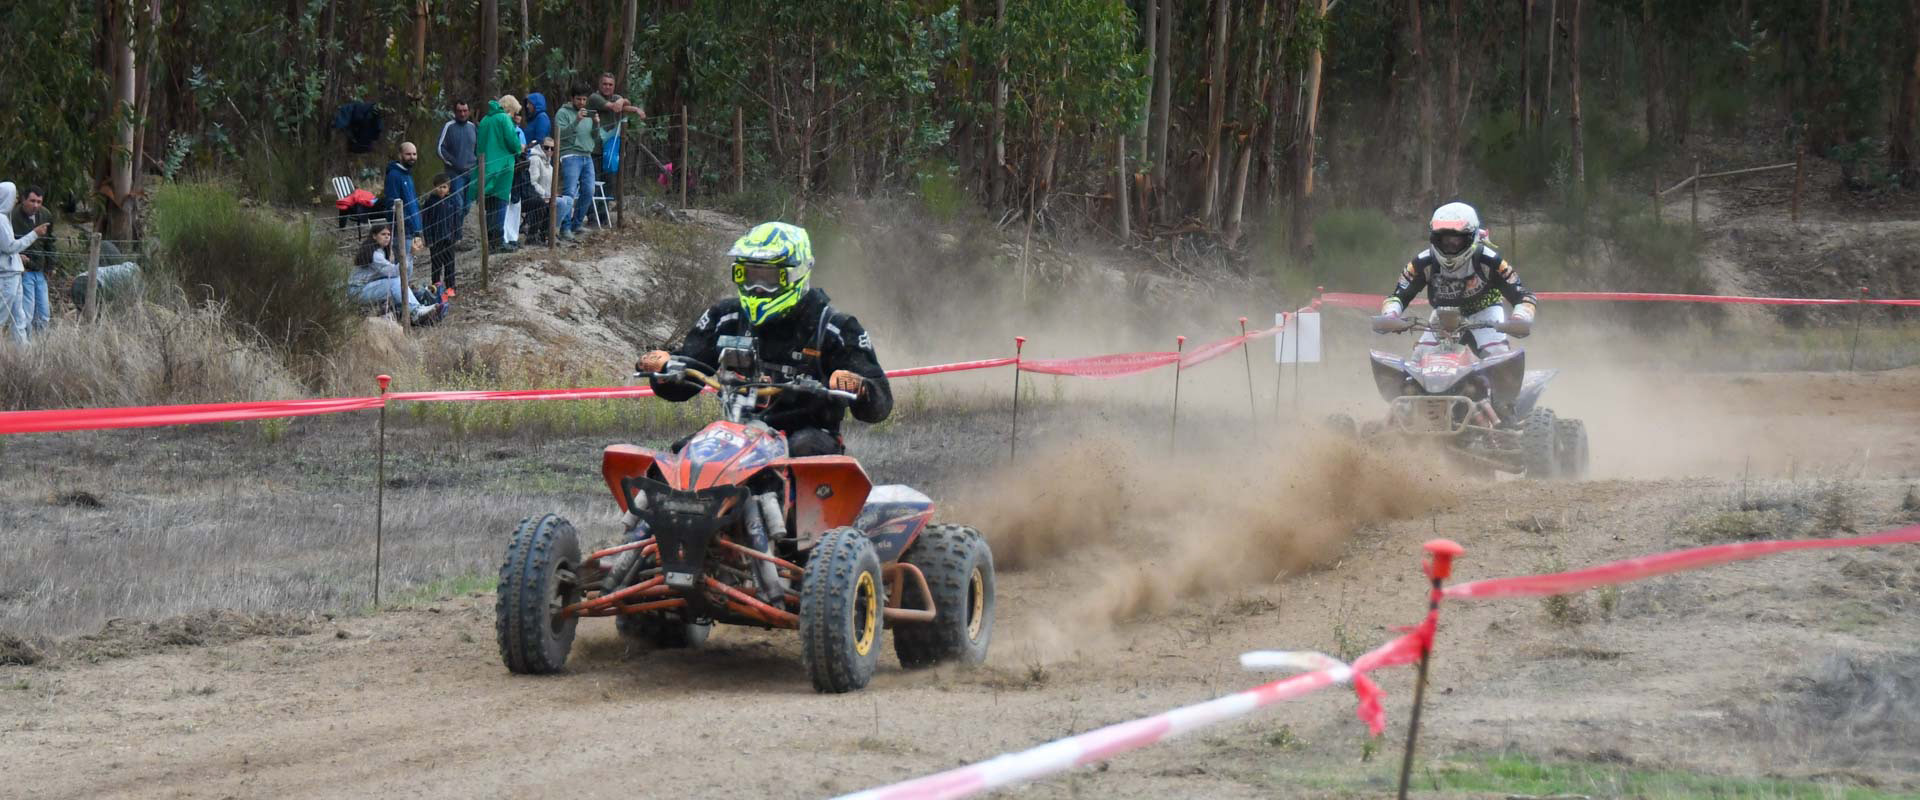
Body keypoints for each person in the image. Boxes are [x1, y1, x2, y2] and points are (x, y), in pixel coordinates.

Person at [638, 222, 892, 457]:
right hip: (736, 433)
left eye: (768, 278)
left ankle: (799, 507)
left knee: (803, 450)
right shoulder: (725, 317)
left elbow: (880, 403)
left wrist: (860, 388)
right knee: (684, 454)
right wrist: (664, 369)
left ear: (795, 274)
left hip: (808, 437)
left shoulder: (835, 328)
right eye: (748, 275)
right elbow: (688, 378)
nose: (757, 288)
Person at [1378, 201, 1537, 358]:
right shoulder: (1423, 262)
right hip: (1443, 317)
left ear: (1472, 237)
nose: (1450, 246)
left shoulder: (1489, 261)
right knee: (1420, 357)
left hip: (1486, 314)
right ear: (1435, 238)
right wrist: (1390, 315)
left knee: (1497, 355)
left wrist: (1519, 319)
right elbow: (1399, 295)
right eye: (1444, 240)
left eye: (1456, 240)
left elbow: (1523, 295)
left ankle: (1504, 381)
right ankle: (1412, 383)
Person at [349, 223, 440, 324]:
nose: (387, 236)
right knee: (394, 283)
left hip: (364, 289)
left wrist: (410, 257)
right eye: (383, 234)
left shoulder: (379, 251)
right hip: (357, 292)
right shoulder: (375, 255)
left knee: (397, 283)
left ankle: (416, 311)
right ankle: (416, 312)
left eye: (388, 234)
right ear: (374, 236)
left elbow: (402, 274)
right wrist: (410, 254)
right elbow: (396, 272)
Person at [0, 183, 49, 345]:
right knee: (3, 315)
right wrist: (34, 234)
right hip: (6, 275)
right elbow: (10, 247)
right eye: (13, 197)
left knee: (19, 316)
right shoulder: (1, 219)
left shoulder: (5, 218)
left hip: (13, 272)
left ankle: (23, 353)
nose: (14, 201)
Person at [471, 95, 520, 253]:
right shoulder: (504, 119)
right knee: (500, 203)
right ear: (510, 109)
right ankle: (497, 240)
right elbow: (513, 143)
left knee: (489, 204)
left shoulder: (485, 120)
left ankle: (488, 240)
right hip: (503, 167)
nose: (513, 116)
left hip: (486, 166)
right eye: (514, 113)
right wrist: (519, 147)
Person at [10, 186, 56, 335]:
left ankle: (41, 344)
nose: (36, 205)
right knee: (26, 311)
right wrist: (16, 256)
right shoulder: (12, 216)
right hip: (23, 271)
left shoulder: (45, 214)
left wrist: (51, 265)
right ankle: (25, 343)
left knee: (44, 312)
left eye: (39, 201)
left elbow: (50, 242)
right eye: (32, 201)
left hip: (40, 269)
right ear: (23, 200)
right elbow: (6, 243)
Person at [553, 86, 597, 242]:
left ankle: (576, 224)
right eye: (579, 99)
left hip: (587, 155)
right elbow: (560, 134)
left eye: (584, 99)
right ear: (572, 98)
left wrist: (596, 123)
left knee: (589, 190)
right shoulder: (563, 113)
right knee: (569, 192)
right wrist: (577, 120)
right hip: (570, 155)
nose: (582, 102)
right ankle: (564, 229)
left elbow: (595, 136)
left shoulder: (589, 114)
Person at [436, 101, 477, 247]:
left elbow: (478, 148)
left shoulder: (473, 127)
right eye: (460, 111)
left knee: (466, 206)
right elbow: (440, 149)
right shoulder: (449, 126)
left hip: (471, 173)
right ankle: (456, 236)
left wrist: (477, 163)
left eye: (465, 110)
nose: (463, 114)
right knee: (458, 205)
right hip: (455, 173)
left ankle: (453, 231)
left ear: (469, 111)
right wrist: (454, 163)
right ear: (455, 111)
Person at [525, 137, 571, 246]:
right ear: (541, 147)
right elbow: (533, 183)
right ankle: (547, 233)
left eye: (552, 148)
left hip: (547, 195)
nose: (549, 150)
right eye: (546, 147)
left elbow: (549, 184)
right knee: (561, 203)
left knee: (568, 200)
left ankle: (552, 231)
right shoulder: (535, 159)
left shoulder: (549, 164)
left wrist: (552, 193)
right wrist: (545, 194)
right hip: (536, 196)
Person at [380, 143, 425, 252]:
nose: (412, 157)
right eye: (408, 154)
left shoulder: (407, 174)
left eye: (414, 154)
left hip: (412, 231)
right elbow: (393, 203)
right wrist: (409, 223)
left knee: (409, 265)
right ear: (400, 155)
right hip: (401, 232)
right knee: (402, 266)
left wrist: (417, 228)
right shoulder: (394, 175)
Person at [421, 173, 461, 289]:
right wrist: (428, 239)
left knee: (449, 264)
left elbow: (456, 220)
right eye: (439, 187)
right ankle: (436, 287)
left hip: (449, 238)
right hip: (435, 239)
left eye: (444, 187)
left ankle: (450, 287)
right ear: (434, 187)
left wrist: (457, 235)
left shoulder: (453, 201)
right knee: (436, 265)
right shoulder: (430, 202)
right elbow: (426, 222)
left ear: (448, 188)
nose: (441, 189)